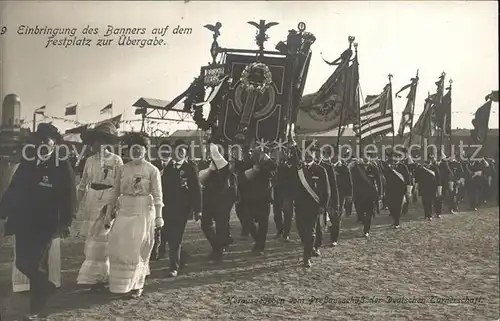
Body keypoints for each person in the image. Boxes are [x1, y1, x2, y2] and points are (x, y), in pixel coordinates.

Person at [0, 123, 76, 320]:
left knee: (36, 264)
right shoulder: (27, 163)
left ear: (54, 145)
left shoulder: (61, 164)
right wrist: (2, 213)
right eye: (40, 140)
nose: (44, 144)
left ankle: (36, 308)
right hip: (24, 221)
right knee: (22, 263)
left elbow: (69, 195)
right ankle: (47, 286)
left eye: (48, 141)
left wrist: (66, 222)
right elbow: (13, 190)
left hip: (46, 224)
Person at [104, 132, 164, 298]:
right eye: (133, 149)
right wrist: (109, 213)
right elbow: (115, 191)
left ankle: (138, 284)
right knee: (118, 245)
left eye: (139, 149)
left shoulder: (152, 170)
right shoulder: (123, 169)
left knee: (136, 248)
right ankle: (120, 284)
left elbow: (158, 195)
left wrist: (159, 216)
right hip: (124, 210)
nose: (136, 152)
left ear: (145, 150)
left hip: (143, 210)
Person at [75, 122, 122, 291]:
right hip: (91, 200)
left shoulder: (116, 161)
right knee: (91, 237)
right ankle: (93, 276)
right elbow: (82, 185)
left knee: (103, 239)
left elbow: (119, 186)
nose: (96, 145)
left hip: (108, 200)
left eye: (101, 142)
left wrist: (115, 205)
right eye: (95, 141)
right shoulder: (89, 161)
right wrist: (75, 205)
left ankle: (101, 276)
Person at [160, 139, 201, 277]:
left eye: (182, 151)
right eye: (176, 150)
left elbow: (196, 190)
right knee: (168, 236)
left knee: (176, 238)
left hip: (182, 209)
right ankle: (182, 256)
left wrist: (198, 210)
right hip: (166, 208)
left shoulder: (190, 169)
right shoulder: (168, 169)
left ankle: (174, 267)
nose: (179, 153)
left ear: (185, 154)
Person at [292, 141, 329, 267]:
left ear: (314, 154)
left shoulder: (320, 170)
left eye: (311, 152)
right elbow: (293, 188)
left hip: (314, 206)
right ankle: (309, 245)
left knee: (311, 231)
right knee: (301, 230)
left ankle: (306, 257)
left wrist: (324, 205)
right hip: (300, 206)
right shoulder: (298, 170)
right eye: (306, 152)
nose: (308, 155)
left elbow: (326, 189)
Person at [236, 147, 276, 255]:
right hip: (249, 198)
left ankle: (260, 247)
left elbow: (274, 169)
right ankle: (257, 239)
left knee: (263, 224)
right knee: (247, 221)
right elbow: (241, 174)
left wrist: (267, 160)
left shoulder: (268, 166)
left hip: (264, 199)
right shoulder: (247, 164)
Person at [199, 143, 235, 262]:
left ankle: (217, 253)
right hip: (208, 198)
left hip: (223, 200)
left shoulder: (227, 164)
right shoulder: (205, 164)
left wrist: (217, 156)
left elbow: (227, 171)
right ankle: (217, 246)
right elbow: (201, 179)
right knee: (205, 224)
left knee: (221, 226)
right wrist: (210, 169)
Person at [350, 153, 381, 237]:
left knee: (369, 213)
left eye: (368, 157)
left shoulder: (374, 168)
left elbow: (378, 181)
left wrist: (380, 193)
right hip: (359, 195)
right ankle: (363, 220)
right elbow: (351, 181)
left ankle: (366, 230)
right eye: (364, 157)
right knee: (360, 212)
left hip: (370, 195)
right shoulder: (356, 168)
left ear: (370, 158)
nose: (366, 158)